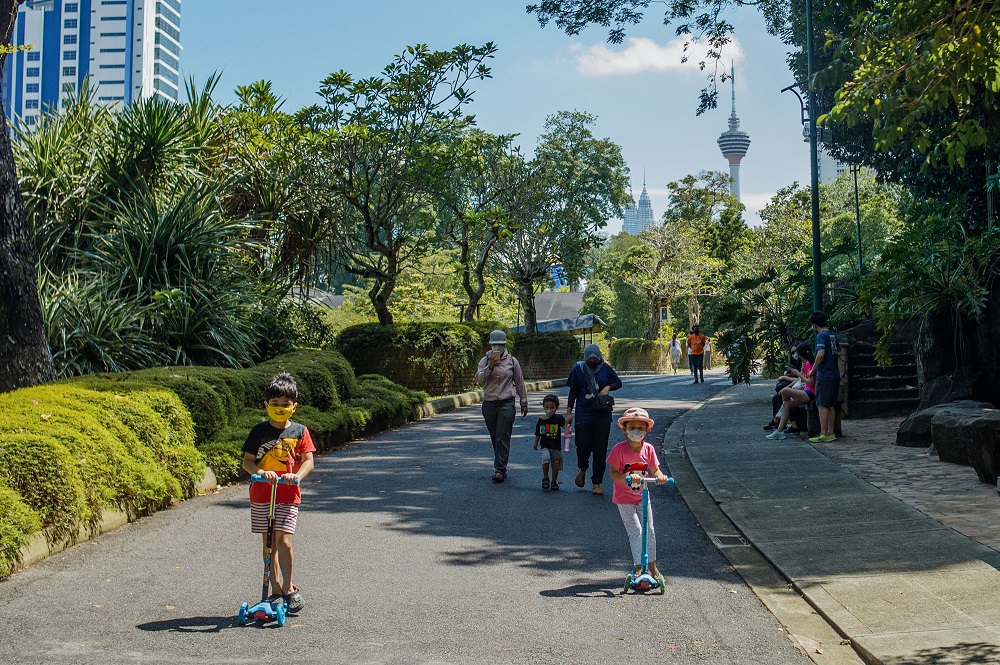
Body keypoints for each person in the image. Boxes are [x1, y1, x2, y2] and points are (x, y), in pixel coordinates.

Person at [241, 372, 316, 614]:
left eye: (285, 404)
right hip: (262, 494)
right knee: (269, 544)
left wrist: (297, 476)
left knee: (284, 541)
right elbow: (247, 462)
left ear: (294, 406)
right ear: (266, 405)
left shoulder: (300, 431)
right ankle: (274, 591)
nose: (280, 409)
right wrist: (262, 473)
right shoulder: (259, 431)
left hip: (288, 495)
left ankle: (288, 588)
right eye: (275, 404)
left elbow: (308, 461)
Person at [606, 407, 670, 585]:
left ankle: (653, 566)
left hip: (643, 498)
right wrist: (627, 477)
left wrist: (660, 476)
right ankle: (638, 567)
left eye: (641, 428)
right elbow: (613, 473)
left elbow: (655, 468)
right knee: (636, 531)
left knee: (649, 531)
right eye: (632, 427)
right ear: (624, 429)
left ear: (647, 430)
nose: (636, 431)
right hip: (624, 499)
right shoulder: (619, 450)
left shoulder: (648, 449)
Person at [566, 343, 623, 495]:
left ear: (598, 356)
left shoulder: (605, 368)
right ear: (585, 358)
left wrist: (608, 387)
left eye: (594, 358)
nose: (592, 361)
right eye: (589, 359)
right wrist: (569, 413)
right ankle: (582, 467)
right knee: (583, 446)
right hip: (583, 414)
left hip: (602, 416)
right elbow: (572, 392)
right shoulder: (578, 369)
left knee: (600, 450)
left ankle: (597, 482)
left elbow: (618, 382)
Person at [476, 329, 528, 483]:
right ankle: (501, 462)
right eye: (494, 345)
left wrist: (523, 403)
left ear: (505, 345)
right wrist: (490, 366)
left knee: (502, 435)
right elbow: (479, 379)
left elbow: (519, 382)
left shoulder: (512, 361)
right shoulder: (484, 361)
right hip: (489, 403)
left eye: (500, 345)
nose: (497, 348)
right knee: (495, 436)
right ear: (490, 345)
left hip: (506, 402)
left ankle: (499, 469)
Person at [765, 344, 815, 440]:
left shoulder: (810, 364)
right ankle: (779, 431)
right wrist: (801, 371)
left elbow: (811, 383)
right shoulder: (805, 364)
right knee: (787, 403)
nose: (797, 356)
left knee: (784, 392)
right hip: (805, 391)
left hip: (809, 392)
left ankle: (780, 416)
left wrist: (798, 374)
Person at [807, 311, 840, 443]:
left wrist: (812, 370)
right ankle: (830, 432)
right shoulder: (833, 335)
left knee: (822, 404)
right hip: (835, 373)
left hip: (824, 374)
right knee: (831, 404)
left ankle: (823, 432)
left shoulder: (821, 336)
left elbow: (820, 354)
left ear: (815, 325)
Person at [763, 344, 803, 432]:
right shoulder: (794, 365)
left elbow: (802, 379)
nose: (795, 354)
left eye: (796, 352)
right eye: (792, 352)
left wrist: (786, 379)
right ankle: (779, 423)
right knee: (776, 398)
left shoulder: (805, 364)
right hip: (796, 386)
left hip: (802, 388)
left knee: (785, 398)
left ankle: (779, 422)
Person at [533, 393, 566, 490]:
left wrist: (567, 424)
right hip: (545, 445)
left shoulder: (558, 418)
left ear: (556, 407)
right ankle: (545, 477)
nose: (549, 409)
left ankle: (554, 481)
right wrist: (535, 443)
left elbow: (565, 427)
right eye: (546, 407)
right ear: (543, 406)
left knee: (556, 464)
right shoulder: (541, 420)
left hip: (555, 446)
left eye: (552, 407)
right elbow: (538, 433)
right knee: (546, 458)